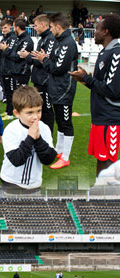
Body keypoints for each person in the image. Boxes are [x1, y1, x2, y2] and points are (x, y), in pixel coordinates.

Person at [69, 14, 120, 180]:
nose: (94, 32)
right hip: (100, 117)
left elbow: (112, 90)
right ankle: (101, 192)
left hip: (110, 117)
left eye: (97, 29)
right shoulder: (106, 52)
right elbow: (99, 85)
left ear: (106, 31)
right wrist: (85, 79)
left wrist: (87, 79)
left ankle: (108, 199)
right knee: (101, 159)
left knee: (108, 163)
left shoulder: (116, 54)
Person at [31, 13, 78, 169]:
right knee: (60, 121)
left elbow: (57, 68)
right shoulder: (60, 41)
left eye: (51, 27)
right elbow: (53, 62)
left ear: (58, 27)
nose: (50, 29)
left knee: (65, 123)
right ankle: (59, 150)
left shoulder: (67, 43)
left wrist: (43, 59)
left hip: (64, 90)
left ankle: (66, 157)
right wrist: (46, 59)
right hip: (57, 88)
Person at [0, 86, 56, 192]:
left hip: (34, 184)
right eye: (29, 113)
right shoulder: (11, 130)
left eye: (38, 111)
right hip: (11, 183)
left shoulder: (44, 128)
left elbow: (48, 159)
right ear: (17, 113)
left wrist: (38, 138)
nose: (35, 117)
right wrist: (30, 138)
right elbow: (16, 160)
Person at [19, 14, 56, 133]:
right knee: (39, 108)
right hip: (38, 79)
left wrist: (27, 56)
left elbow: (44, 60)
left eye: (35, 25)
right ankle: (40, 133)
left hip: (45, 81)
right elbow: (39, 58)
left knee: (46, 110)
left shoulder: (50, 39)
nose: (34, 28)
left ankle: (47, 135)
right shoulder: (43, 38)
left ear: (43, 25)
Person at [0, 19, 33, 117]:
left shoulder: (26, 40)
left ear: (16, 27)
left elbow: (17, 57)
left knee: (21, 96)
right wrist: (1, 48)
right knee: (11, 93)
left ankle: (21, 114)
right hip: (15, 71)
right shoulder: (19, 39)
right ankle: (11, 113)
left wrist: (5, 49)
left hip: (22, 72)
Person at [0, 19, 17, 119]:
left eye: (5, 27)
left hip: (10, 69)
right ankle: (8, 111)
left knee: (11, 92)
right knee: (6, 91)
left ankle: (11, 113)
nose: (4, 30)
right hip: (3, 69)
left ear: (10, 27)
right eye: (2, 28)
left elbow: (10, 53)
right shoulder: (3, 39)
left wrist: (2, 48)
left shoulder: (13, 38)